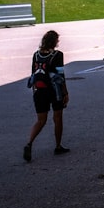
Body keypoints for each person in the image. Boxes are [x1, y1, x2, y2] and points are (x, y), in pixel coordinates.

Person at [24, 30, 69, 162]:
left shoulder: (36, 55)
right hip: (54, 90)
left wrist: (35, 90)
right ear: (54, 42)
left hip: (39, 91)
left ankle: (29, 143)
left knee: (41, 120)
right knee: (58, 117)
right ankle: (58, 146)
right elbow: (60, 75)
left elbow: (33, 73)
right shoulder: (58, 55)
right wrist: (65, 92)